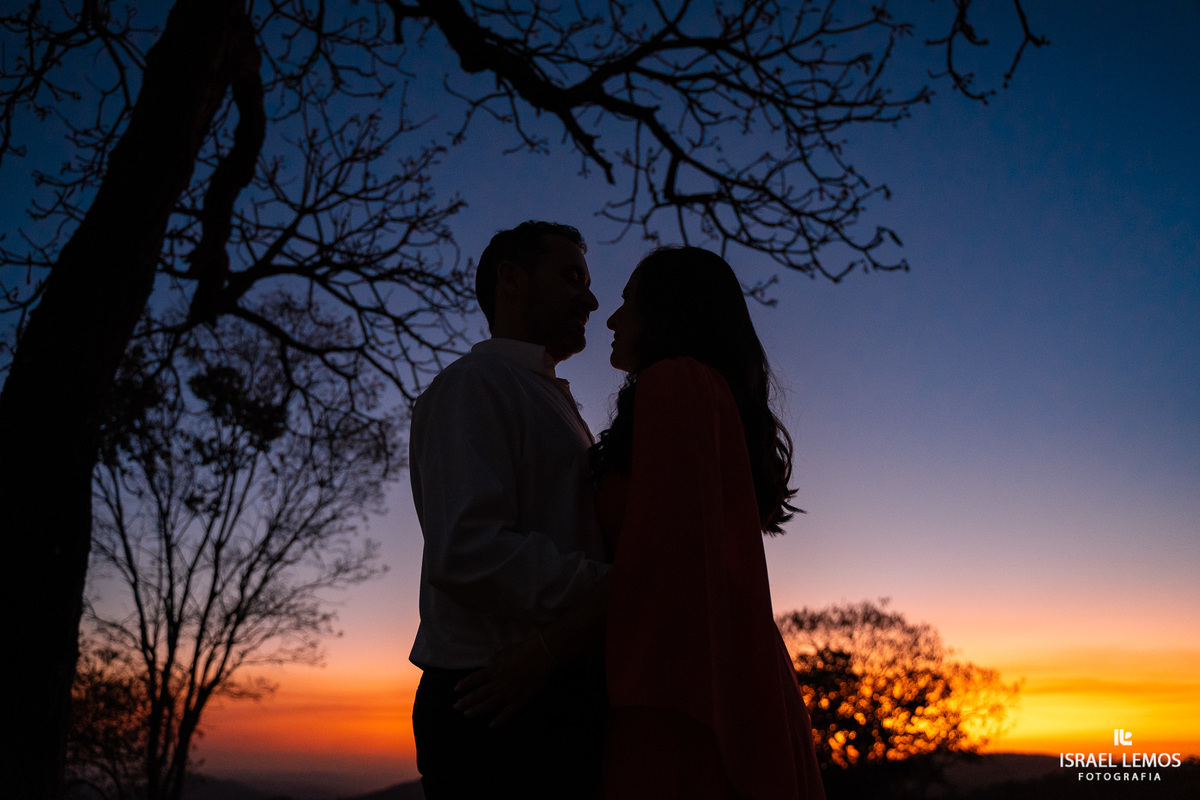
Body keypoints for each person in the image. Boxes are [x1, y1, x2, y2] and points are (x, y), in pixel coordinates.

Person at [591, 246, 827, 799]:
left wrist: (543, 652)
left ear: (668, 312)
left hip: (684, 680)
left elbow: (660, 563)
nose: (611, 318)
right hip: (718, 667)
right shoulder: (701, 391)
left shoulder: (676, 384)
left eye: (628, 301)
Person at [407, 221, 610, 799]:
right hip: (494, 704)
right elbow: (467, 550)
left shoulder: (542, 393)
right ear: (512, 280)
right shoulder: (473, 385)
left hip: (543, 690)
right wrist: (610, 589)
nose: (591, 301)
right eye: (571, 277)